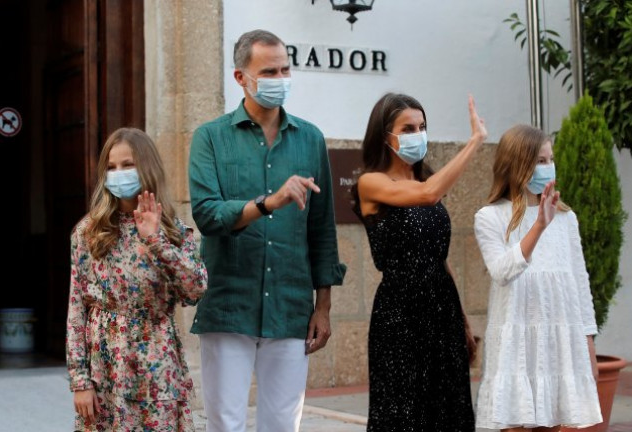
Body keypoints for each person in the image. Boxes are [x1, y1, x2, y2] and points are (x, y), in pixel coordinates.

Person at [188, 29, 346, 432]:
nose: (280, 79)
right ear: (241, 77)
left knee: (282, 424)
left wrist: (323, 307)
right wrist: (267, 203)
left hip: (292, 306)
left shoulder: (309, 138)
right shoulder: (210, 138)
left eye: (285, 69)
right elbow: (207, 214)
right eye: (269, 71)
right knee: (226, 423)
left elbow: (322, 229)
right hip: (229, 303)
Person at [350, 92, 487, 431]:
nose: (418, 134)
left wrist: (463, 322)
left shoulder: (425, 179)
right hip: (400, 313)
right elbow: (429, 195)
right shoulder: (371, 183)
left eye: (422, 126)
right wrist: (475, 142)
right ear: (386, 135)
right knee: (404, 411)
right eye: (408, 127)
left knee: (448, 410)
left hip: (442, 308)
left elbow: (440, 257)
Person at [66, 127, 208, 431]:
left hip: (156, 363)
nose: (118, 173)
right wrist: (80, 380)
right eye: (111, 167)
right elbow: (76, 309)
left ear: (147, 167)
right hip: (104, 365)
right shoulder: (88, 232)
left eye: (127, 165)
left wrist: (156, 241)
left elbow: (195, 290)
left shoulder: (173, 231)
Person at [473, 124, 602, 431]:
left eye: (550, 159)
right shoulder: (489, 217)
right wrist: (538, 227)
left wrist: (588, 342)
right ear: (517, 164)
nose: (548, 167)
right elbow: (503, 272)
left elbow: (579, 283)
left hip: (559, 341)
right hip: (516, 344)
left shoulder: (566, 219)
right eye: (540, 161)